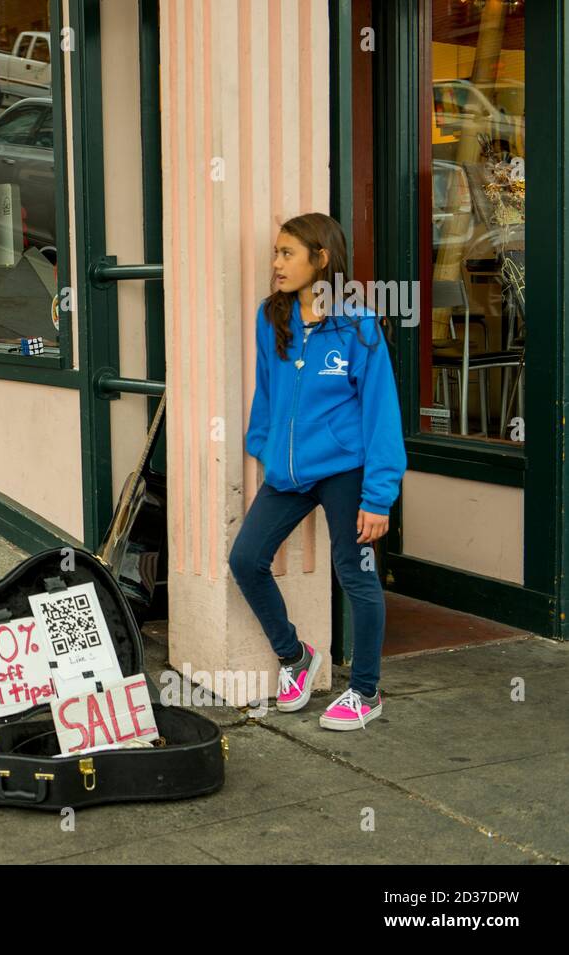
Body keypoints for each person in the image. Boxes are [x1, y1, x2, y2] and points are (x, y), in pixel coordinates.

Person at [228, 212, 407, 730]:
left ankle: (366, 691)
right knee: (246, 559)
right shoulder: (272, 318)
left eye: (288, 253)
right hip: (289, 471)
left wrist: (378, 496)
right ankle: (296, 658)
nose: (276, 263)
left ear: (320, 259)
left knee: (357, 575)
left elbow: (381, 415)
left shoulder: (358, 325)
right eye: (275, 253)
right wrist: (264, 448)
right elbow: (267, 392)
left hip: (346, 471)